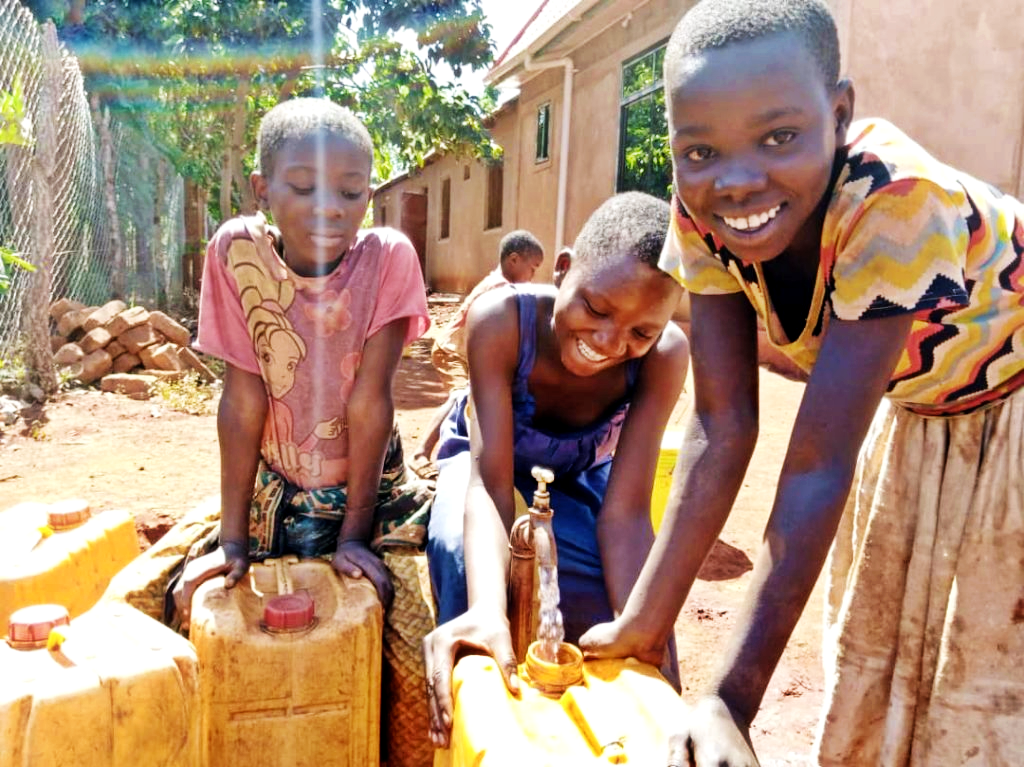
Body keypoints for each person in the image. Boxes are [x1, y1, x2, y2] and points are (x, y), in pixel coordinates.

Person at [579, 1, 1024, 765]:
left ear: (840, 112)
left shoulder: (896, 204)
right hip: (921, 413)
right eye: (700, 150)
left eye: (780, 137)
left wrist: (729, 698)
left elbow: (818, 462)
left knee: (983, 690)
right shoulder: (702, 208)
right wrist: (643, 622)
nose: (738, 181)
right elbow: (721, 423)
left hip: (1012, 416)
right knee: (880, 679)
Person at [422, 192, 691, 747]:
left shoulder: (663, 357)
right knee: (459, 555)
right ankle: (475, 730)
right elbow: (490, 484)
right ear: (564, 268)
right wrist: (487, 611)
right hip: (488, 461)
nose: (610, 342)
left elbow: (626, 514)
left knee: (589, 590)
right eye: (596, 308)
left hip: (575, 474)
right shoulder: (502, 323)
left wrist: (653, 645)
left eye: (641, 332)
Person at [173, 97, 430, 625]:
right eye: (303, 187)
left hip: (370, 491)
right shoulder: (236, 253)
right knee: (168, 597)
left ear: (369, 195)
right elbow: (243, 400)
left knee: (407, 631)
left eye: (350, 191)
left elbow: (369, 399)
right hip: (272, 492)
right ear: (262, 189)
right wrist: (232, 539)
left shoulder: (387, 259)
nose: (329, 206)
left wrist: (355, 537)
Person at [410, 230, 545, 479]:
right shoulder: (500, 288)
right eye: (533, 268)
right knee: (459, 396)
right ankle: (420, 452)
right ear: (514, 260)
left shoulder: (500, 284)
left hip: (468, 353)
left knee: (476, 399)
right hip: (453, 350)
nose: (534, 276)